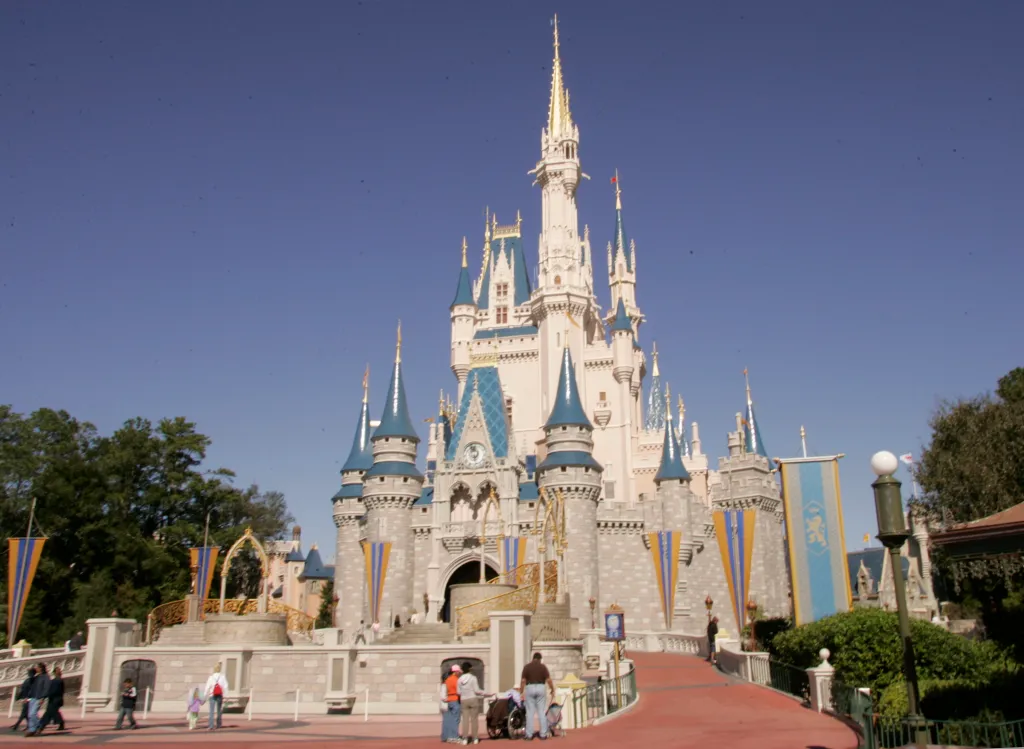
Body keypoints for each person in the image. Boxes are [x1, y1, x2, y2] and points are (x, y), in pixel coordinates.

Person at [456, 661, 493, 745]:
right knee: (474, 720)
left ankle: (465, 738)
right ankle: (475, 738)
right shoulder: (473, 678)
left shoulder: (459, 680)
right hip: (472, 698)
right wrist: (486, 693)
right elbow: (477, 690)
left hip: (463, 700)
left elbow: (458, 692)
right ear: (469, 669)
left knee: (465, 720)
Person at [519, 652, 553, 740]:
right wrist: (552, 689)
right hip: (541, 687)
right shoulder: (543, 667)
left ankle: (529, 735)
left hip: (529, 687)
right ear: (540, 659)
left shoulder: (527, 667)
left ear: (533, 658)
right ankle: (543, 734)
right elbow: (549, 680)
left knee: (530, 712)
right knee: (541, 711)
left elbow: (523, 681)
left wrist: (521, 691)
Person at [32, 666, 65, 735]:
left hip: (56, 699)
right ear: (54, 672)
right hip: (52, 699)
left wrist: (45, 696)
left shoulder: (59, 681)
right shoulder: (54, 681)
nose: (59, 671)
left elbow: (57, 691)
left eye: (59, 670)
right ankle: (61, 723)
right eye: (57, 670)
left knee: (48, 714)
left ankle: (40, 728)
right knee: (54, 712)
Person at [26, 663, 50, 736]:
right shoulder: (36, 677)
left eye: (37, 668)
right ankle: (32, 730)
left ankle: (39, 725)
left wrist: (43, 697)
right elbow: (30, 683)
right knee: (30, 715)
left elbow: (46, 688)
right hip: (32, 697)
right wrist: (31, 671)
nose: (36, 669)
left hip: (39, 697)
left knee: (33, 713)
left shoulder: (46, 677)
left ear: (41, 668)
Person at [440, 663, 462, 743]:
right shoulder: (456, 680)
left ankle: (449, 736)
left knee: (450, 719)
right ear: (456, 672)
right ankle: (454, 736)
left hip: (449, 700)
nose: (459, 673)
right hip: (455, 699)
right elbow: (459, 691)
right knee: (456, 719)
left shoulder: (447, 680)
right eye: (458, 671)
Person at [10, 667, 36, 732]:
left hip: (27, 699)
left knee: (24, 713)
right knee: (26, 713)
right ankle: (28, 725)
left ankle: (16, 725)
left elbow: (24, 690)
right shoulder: (33, 680)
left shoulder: (29, 680)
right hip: (30, 699)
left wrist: (22, 697)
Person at [204, 663, 229, 730]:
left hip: (212, 694)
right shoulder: (222, 677)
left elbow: (207, 686)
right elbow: (225, 686)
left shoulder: (211, 677)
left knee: (211, 710)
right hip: (219, 695)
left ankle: (211, 725)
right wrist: (226, 695)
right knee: (219, 710)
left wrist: (205, 694)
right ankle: (219, 724)